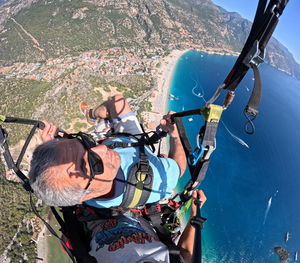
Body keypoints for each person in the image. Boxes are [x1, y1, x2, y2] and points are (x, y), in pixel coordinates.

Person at [29, 94, 186, 207]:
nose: (101, 148)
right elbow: (179, 167)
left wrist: (55, 147)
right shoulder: (156, 180)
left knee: (118, 100)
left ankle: (91, 115)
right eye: (92, 163)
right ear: (84, 198)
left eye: (85, 144)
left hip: (125, 141)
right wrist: (176, 136)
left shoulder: (79, 187)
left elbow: (61, 174)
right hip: (135, 143)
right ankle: (95, 118)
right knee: (117, 103)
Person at [87, 189, 207, 263]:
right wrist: (194, 214)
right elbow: (185, 252)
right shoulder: (172, 260)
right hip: (135, 214)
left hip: (96, 219)